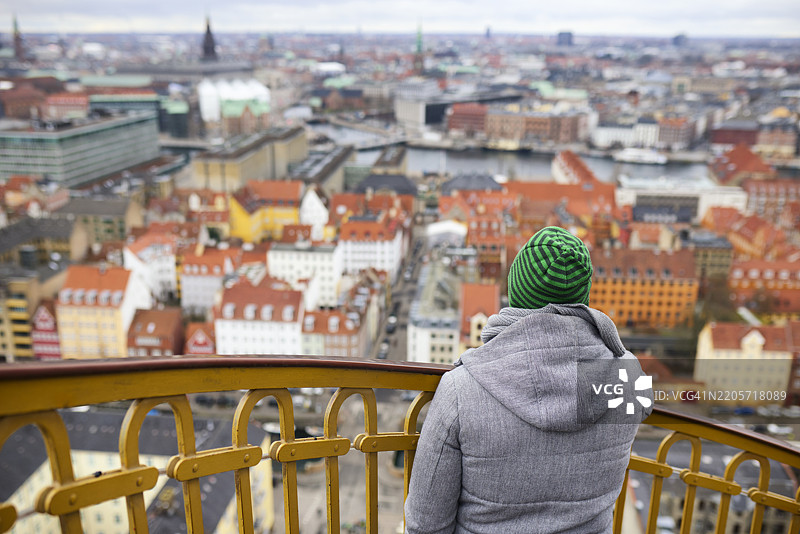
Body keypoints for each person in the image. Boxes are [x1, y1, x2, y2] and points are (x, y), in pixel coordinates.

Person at [404, 226, 653, 534]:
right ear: (583, 296)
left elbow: (425, 524)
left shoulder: (462, 389)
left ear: (517, 292)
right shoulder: (629, 379)